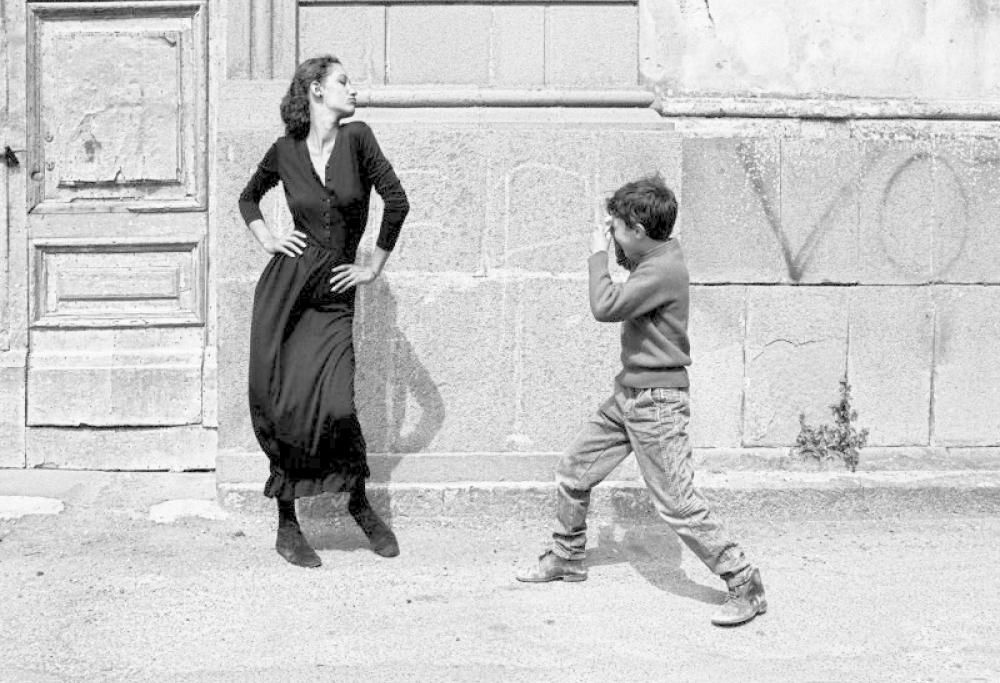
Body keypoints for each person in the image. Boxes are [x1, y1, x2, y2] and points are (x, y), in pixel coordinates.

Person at [515, 174, 767, 627]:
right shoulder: (655, 255)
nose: (611, 233)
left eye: (617, 227)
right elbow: (626, 276)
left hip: (657, 404)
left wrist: (596, 254)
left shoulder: (662, 269)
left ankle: (744, 582)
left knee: (677, 503)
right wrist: (613, 241)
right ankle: (567, 556)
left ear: (638, 230)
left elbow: (605, 306)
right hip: (629, 395)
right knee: (573, 471)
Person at [237, 55, 409, 568]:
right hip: (286, 292)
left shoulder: (359, 139)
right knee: (284, 403)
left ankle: (358, 502)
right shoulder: (285, 150)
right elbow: (248, 199)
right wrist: (269, 237)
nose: (353, 90)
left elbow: (396, 202)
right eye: (343, 82)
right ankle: (287, 524)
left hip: (333, 292)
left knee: (336, 404)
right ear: (316, 90)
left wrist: (372, 266)